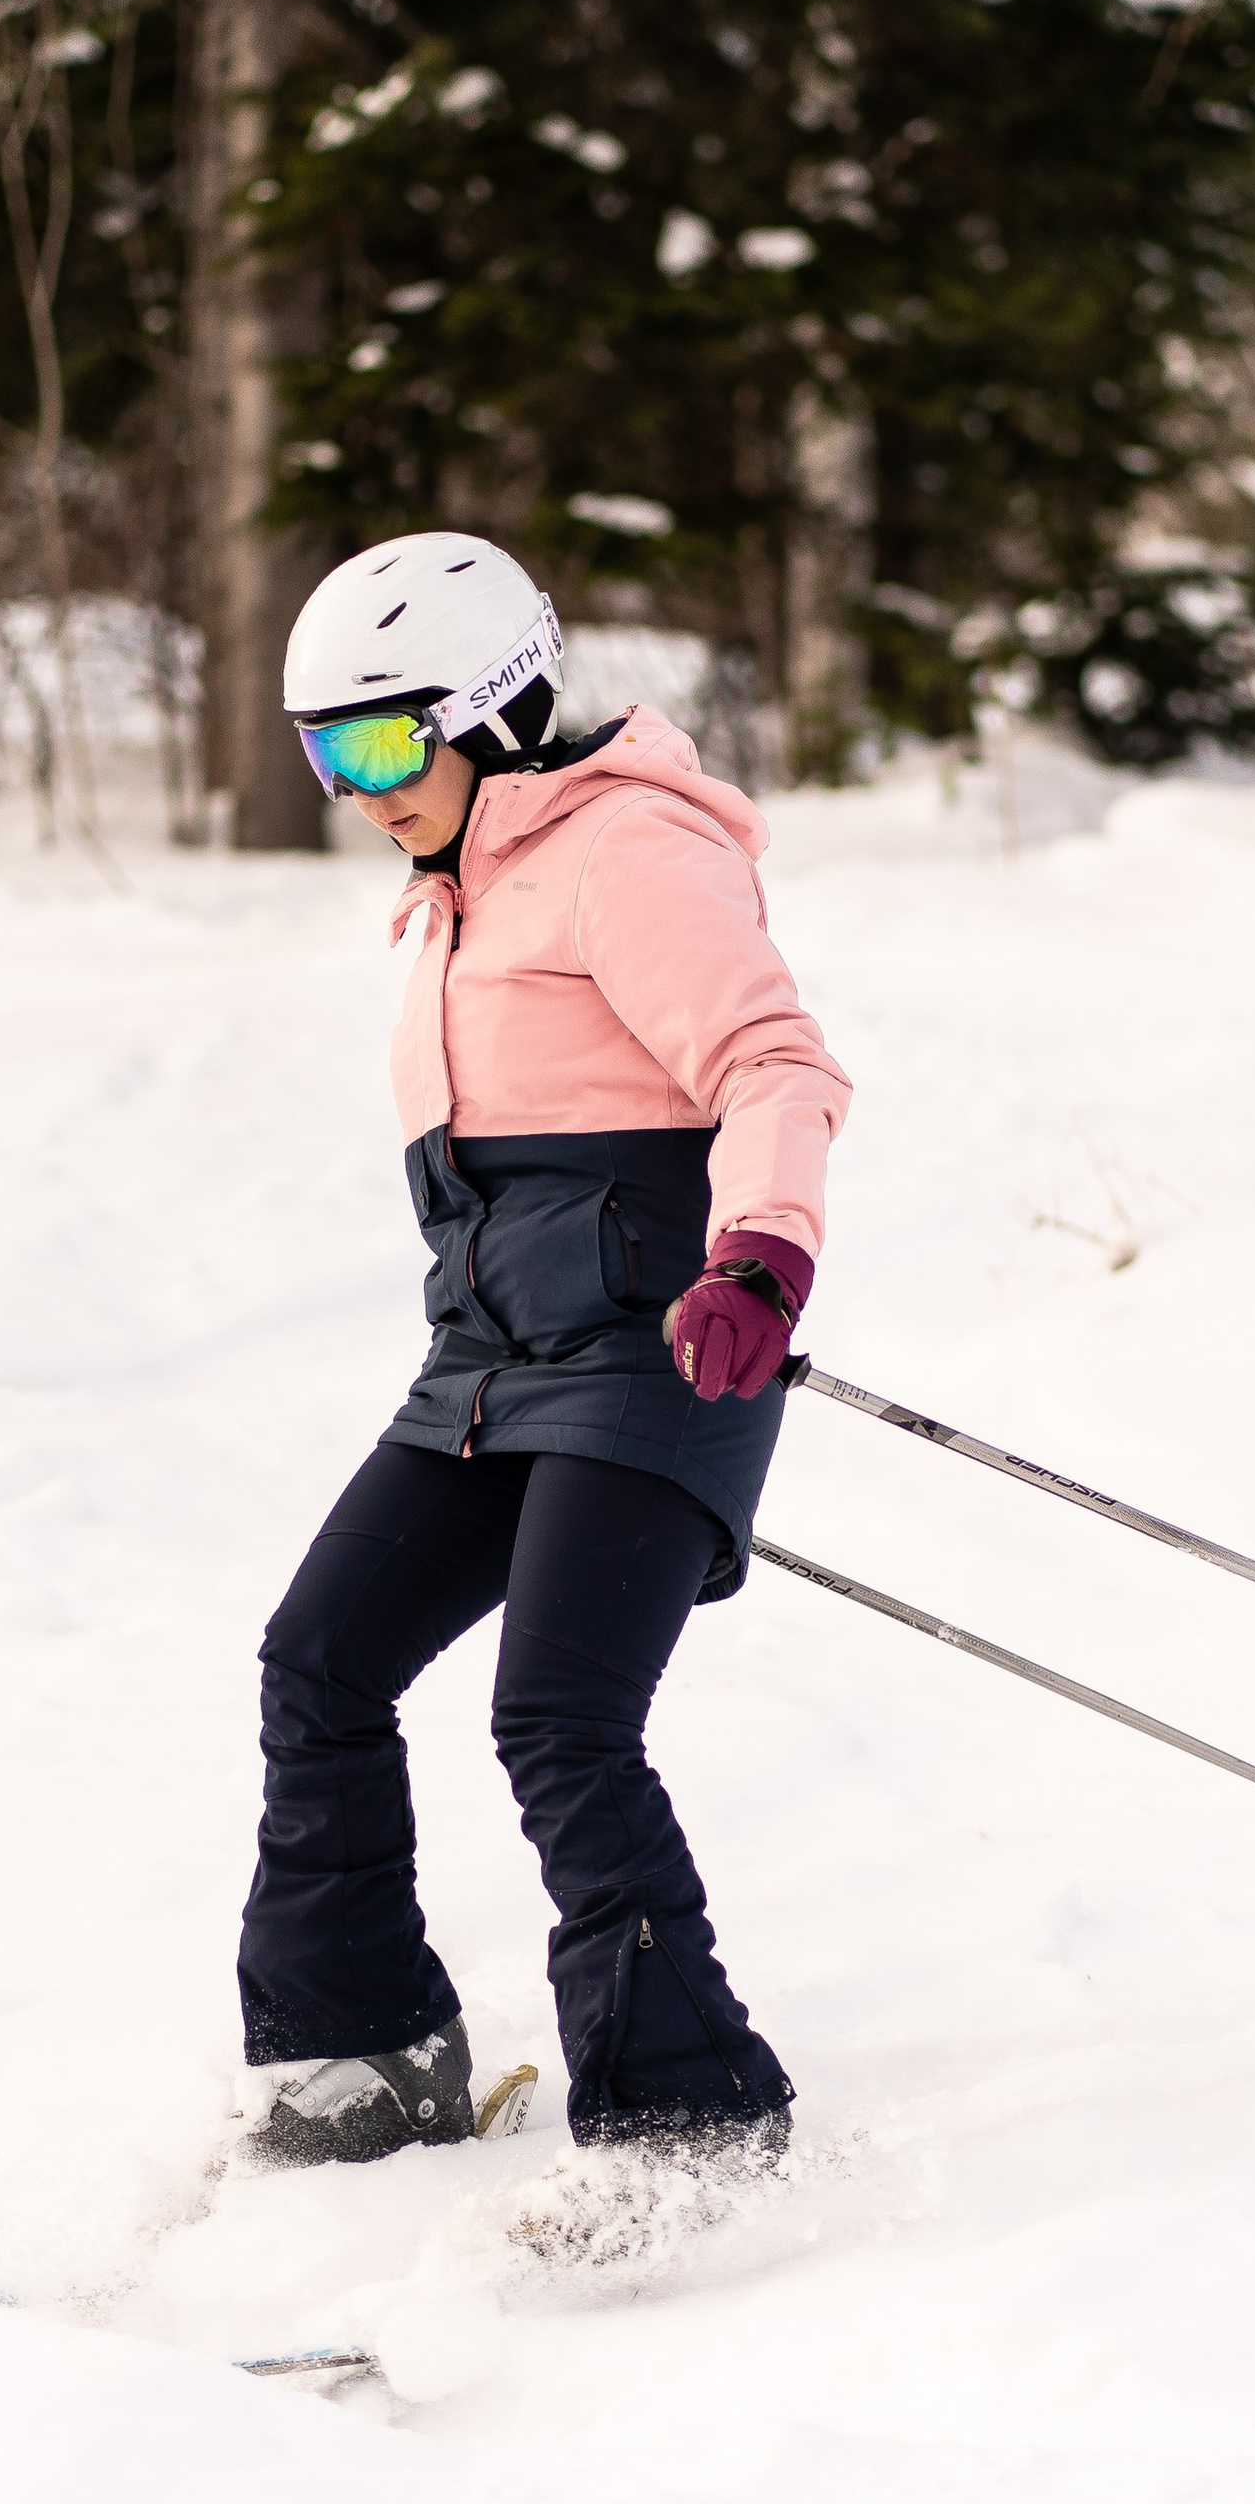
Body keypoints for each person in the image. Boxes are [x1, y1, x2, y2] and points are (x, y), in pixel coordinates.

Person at [237, 531, 851, 2168]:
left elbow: (775, 1064)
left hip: (664, 1350)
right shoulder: (456, 890)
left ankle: (690, 2116)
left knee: (561, 1720)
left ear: (489, 706)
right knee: (321, 1660)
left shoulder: (624, 853)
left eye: (376, 743)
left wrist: (762, 1260)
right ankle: (359, 2047)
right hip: (491, 1363)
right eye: (323, 752)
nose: (356, 789)